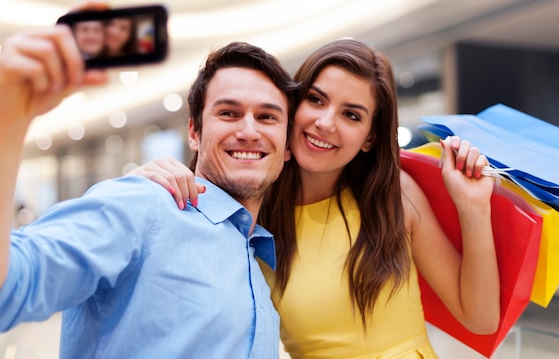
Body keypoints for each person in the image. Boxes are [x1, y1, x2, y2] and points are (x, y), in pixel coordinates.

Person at [0, 1, 300, 358]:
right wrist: (5, 120)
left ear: (287, 146)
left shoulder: (256, 254)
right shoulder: (145, 206)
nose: (249, 131)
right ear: (194, 131)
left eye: (268, 117)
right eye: (229, 112)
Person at [133, 38, 500, 358]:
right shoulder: (251, 209)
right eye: (316, 99)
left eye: (351, 115)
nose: (326, 122)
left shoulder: (394, 196)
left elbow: (479, 319)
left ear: (369, 138)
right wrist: (148, 180)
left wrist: (473, 206)